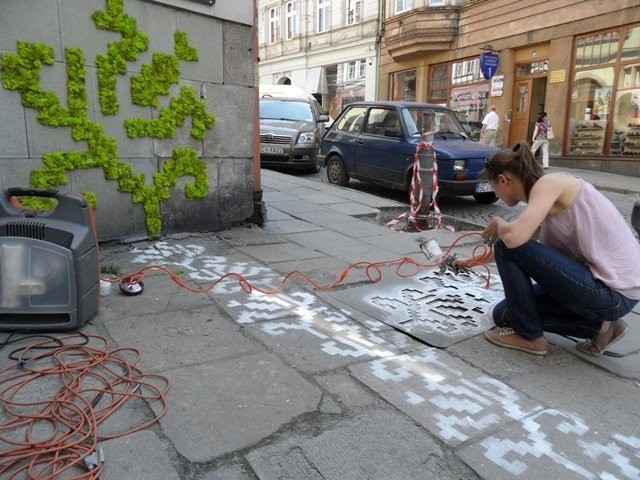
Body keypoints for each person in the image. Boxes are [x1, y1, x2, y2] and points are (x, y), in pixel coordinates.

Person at [453, 141, 640, 356]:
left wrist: (499, 221)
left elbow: (513, 241)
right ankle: (603, 328)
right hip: (604, 290)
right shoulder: (542, 199)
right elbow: (522, 248)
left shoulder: (550, 183)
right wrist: (470, 262)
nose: (494, 192)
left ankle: (530, 338)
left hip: (612, 292)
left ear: (503, 180)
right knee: (504, 316)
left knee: (505, 244)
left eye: (493, 186)